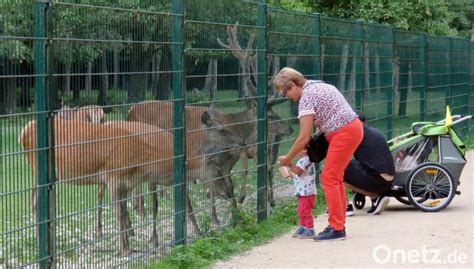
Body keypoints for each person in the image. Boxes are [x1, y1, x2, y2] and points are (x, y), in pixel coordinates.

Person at [274, 67, 363, 241]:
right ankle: (338, 224)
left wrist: (288, 158)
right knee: (335, 177)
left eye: (285, 91)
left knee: (329, 177)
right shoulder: (317, 84)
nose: (286, 96)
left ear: (292, 85)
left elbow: (304, 136)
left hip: (343, 133)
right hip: (351, 129)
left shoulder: (306, 98)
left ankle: (337, 228)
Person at [343, 110, 396, 215]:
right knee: (349, 165)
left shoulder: (356, 133)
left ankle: (344, 206)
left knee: (334, 169)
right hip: (389, 180)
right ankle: (375, 198)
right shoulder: (372, 131)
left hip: (378, 181)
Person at [280, 150, 317, 239]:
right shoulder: (305, 160)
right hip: (303, 191)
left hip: (306, 192)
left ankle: (310, 228)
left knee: (305, 210)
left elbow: (299, 171)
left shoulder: (305, 160)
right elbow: (299, 174)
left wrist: (288, 163)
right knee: (301, 210)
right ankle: (303, 226)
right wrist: (289, 173)